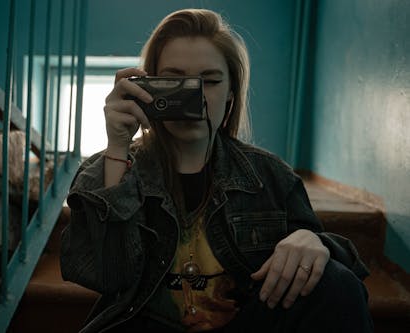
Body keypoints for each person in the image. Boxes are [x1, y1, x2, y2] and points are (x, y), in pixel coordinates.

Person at [60, 8, 373, 333]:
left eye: (209, 81)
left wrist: (316, 241)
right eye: (176, 81)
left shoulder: (271, 176)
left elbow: (341, 272)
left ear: (231, 96)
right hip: (146, 325)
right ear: (147, 89)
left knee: (337, 283)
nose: (194, 95)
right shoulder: (107, 169)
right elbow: (108, 277)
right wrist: (116, 151)